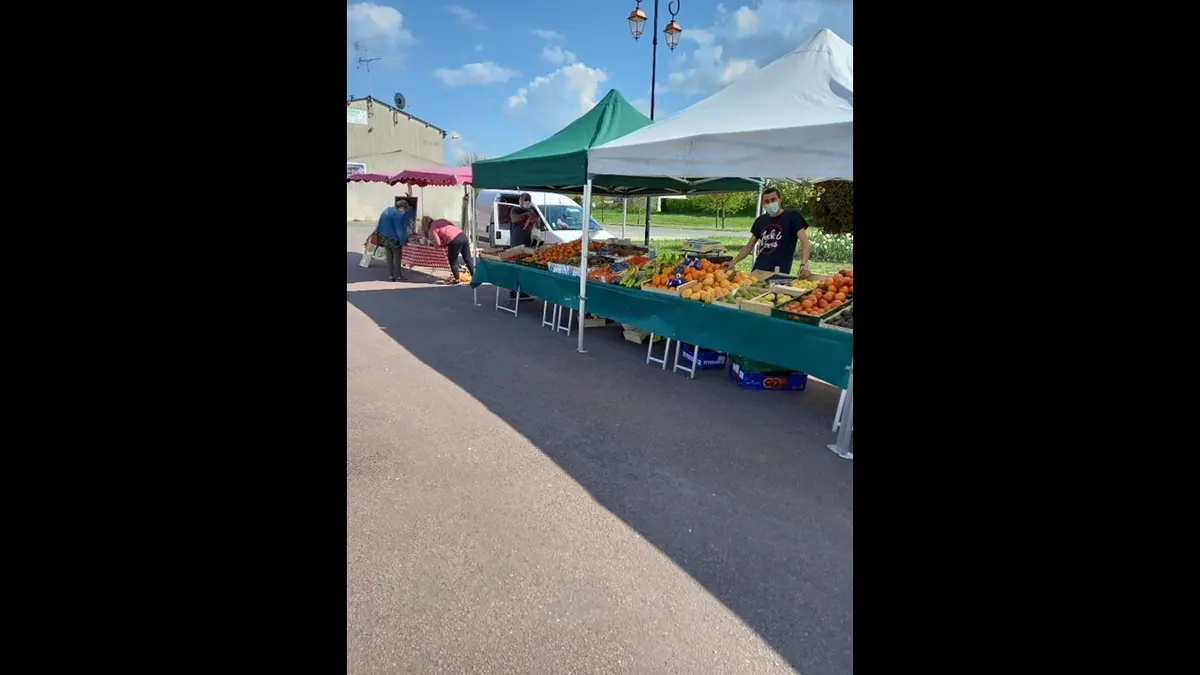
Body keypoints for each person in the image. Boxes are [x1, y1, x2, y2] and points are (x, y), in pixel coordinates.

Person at [723, 185, 811, 278]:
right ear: (763, 204)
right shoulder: (760, 220)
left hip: (780, 271)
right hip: (759, 269)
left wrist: (803, 265)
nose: (770, 203)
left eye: (773, 199)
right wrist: (733, 262)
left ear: (780, 199)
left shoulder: (793, 216)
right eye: (767, 201)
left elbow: (805, 243)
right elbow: (749, 247)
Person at [506, 193, 539, 300]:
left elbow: (539, 225)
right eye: (525, 200)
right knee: (516, 267)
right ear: (520, 200)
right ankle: (513, 290)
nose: (527, 202)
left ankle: (523, 290)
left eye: (529, 200)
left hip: (527, 244)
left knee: (525, 268)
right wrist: (526, 215)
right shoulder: (515, 210)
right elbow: (514, 219)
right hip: (516, 243)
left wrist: (536, 218)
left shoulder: (532, 209)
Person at [425, 216, 475, 286]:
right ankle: (475, 278)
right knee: (467, 259)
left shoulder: (433, 228)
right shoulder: (442, 220)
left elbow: (438, 243)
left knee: (453, 261)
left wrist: (439, 245)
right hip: (462, 235)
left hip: (454, 240)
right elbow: (452, 226)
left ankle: (457, 280)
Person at [375, 196, 414, 281]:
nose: (404, 212)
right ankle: (398, 276)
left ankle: (391, 275)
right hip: (394, 239)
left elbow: (378, 224)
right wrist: (404, 241)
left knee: (389, 257)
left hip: (384, 237)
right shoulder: (398, 215)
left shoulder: (386, 210)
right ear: (402, 208)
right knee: (397, 257)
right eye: (405, 209)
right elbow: (399, 230)